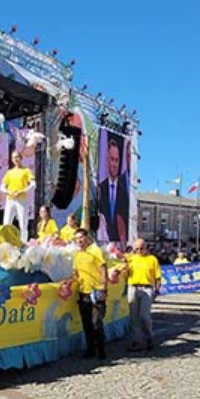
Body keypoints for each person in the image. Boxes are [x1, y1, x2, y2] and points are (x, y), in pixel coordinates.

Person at [73, 229, 108, 360]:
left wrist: (104, 288)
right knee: (86, 323)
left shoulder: (95, 250)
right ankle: (90, 349)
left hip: (96, 291)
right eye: (76, 239)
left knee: (96, 322)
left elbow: (103, 268)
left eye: (81, 238)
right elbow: (75, 272)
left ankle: (101, 350)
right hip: (84, 292)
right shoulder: (77, 255)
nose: (79, 241)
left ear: (87, 238)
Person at [122, 239, 161, 351]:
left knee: (145, 316)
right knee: (134, 317)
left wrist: (157, 290)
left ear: (146, 247)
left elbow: (158, 276)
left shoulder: (152, 259)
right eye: (137, 249)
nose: (139, 251)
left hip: (147, 288)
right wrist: (125, 268)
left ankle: (149, 338)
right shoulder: (131, 259)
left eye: (141, 248)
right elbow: (126, 274)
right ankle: (137, 341)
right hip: (133, 287)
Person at [97, 137, 130, 243]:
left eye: (117, 160)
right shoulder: (100, 188)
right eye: (112, 159)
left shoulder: (125, 191)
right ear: (106, 160)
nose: (115, 164)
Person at [0, 151, 36, 242]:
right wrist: (9, 192)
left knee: (23, 223)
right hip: (10, 199)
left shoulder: (26, 171)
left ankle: (23, 242)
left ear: (21, 158)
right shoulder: (9, 172)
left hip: (22, 200)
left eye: (17, 157)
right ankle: (6, 241)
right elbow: (2, 187)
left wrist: (22, 191)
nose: (16, 159)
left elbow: (33, 184)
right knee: (7, 222)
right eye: (14, 158)